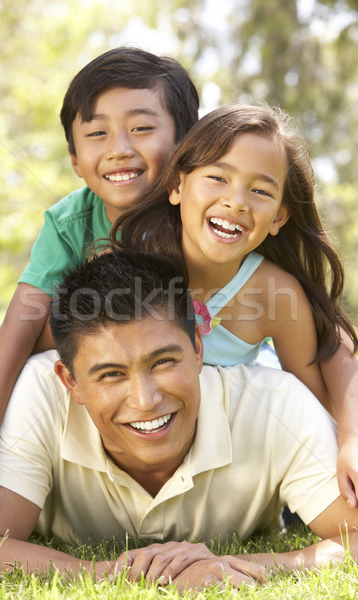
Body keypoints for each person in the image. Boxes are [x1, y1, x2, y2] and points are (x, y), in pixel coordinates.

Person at [0, 247, 358, 591]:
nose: (145, 400)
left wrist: (242, 565)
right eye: (111, 374)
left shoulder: (276, 403)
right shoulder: (40, 392)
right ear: (71, 382)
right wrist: (113, 573)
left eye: (164, 361)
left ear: (199, 349)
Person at [0, 47, 199, 520]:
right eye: (96, 134)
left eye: (142, 128)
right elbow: (18, 330)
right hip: (84, 394)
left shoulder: (206, 213)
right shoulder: (69, 222)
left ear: (186, 142)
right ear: (74, 157)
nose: (119, 148)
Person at [113, 104, 358, 508]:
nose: (237, 201)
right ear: (177, 186)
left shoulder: (274, 293)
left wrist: (349, 439)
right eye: (218, 178)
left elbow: (312, 406)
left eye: (260, 191)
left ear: (279, 217)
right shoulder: (133, 267)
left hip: (235, 453)